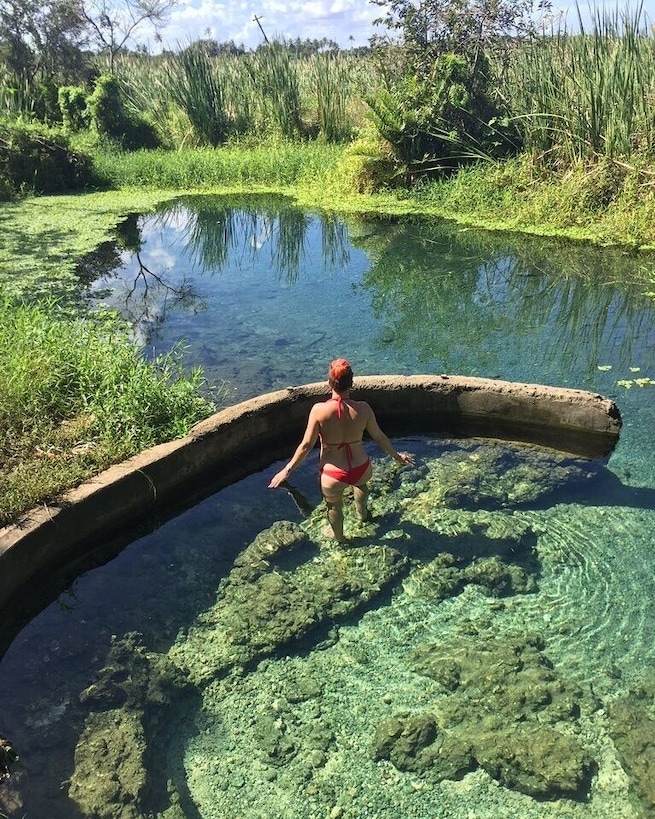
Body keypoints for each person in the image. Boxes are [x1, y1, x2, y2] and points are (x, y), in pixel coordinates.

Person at [268, 358, 414, 541]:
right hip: (362, 468)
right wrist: (397, 456)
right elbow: (379, 437)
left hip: (333, 474)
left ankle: (340, 538)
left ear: (329, 383)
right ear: (351, 383)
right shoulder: (363, 409)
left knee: (334, 506)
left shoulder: (319, 410)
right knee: (361, 486)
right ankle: (362, 515)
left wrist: (287, 470)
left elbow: (306, 446)